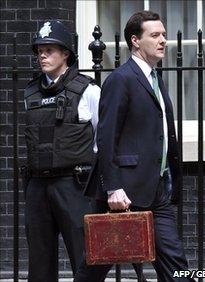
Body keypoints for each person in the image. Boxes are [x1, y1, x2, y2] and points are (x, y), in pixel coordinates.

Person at [74, 10, 195, 282]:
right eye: (155, 35)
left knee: (177, 267)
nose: (163, 40)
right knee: (95, 265)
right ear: (135, 41)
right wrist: (113, 187)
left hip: (156, 190)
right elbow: (105, 137)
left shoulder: (155, 79)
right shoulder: (121, 79)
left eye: (164, 34)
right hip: (123, 192)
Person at [23, 20, 100, 282]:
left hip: (74, 186)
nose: (42, 55)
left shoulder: (88, 90)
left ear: (66, 53)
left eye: (49, 49)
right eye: (39, 50)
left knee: (85, 260)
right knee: (39, 265)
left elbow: (103, 139)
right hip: (37, 186)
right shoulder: (30, 92)